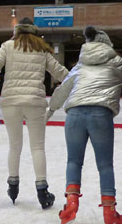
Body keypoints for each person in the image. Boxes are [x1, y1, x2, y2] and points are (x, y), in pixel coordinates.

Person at [0, 17, 68, 208]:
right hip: (35, 102)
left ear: (17, 31)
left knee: (14, 146)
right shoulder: (42, 49)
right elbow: (61, 72)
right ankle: (42, 191)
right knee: (37, 147)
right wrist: (76, 81)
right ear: (34, 32)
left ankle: (13, 186)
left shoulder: (7, 46)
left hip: (11, 102)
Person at [46, 26, 122, 224]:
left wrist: (51, 110)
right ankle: (109, 212)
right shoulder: (116, 63)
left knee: (73, 161)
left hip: (75, 115)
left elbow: (63, 90)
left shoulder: (80, 66)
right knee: (105, 165)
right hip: (101, 115)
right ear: (107, 44)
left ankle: (71, 203)